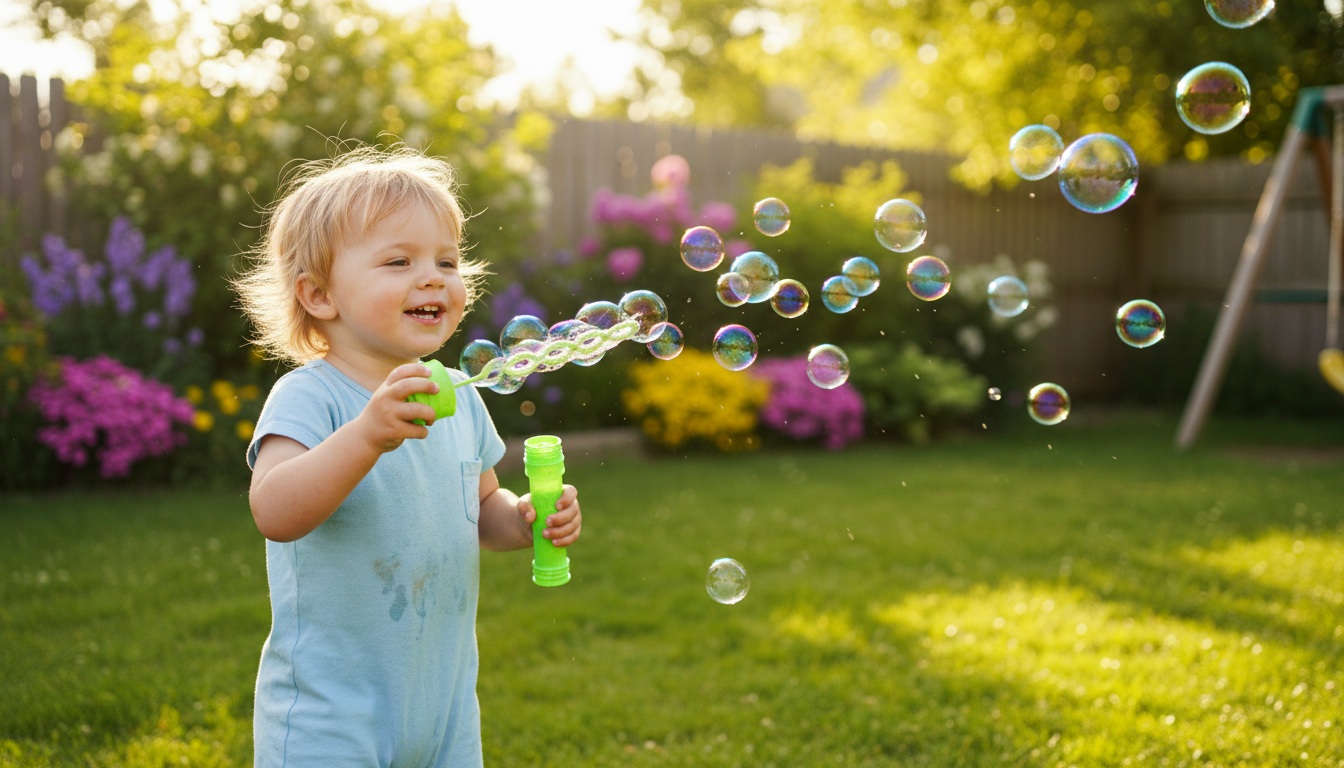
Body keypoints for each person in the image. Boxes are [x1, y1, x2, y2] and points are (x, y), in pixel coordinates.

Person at [232, 146, 582, 767]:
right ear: (318, 295)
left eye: (446, 260)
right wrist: (367, 435)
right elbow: (274, 511)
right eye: (399, 261)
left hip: (442, 708)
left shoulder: (460, 399)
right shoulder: (311, 397)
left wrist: (525, 518)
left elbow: (483, 511)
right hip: (331, 718)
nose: (433, 277)